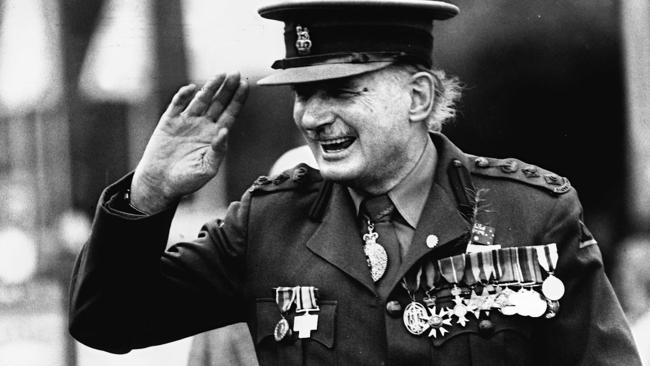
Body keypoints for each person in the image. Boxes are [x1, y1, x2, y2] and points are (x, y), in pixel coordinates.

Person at [68, 1, 641, 365]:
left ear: (418, 97)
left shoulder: (530, 213)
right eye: (302, 93)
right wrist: (148, 194)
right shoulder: (268, 222)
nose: (312, 116)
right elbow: (109, 322)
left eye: (341, 92)